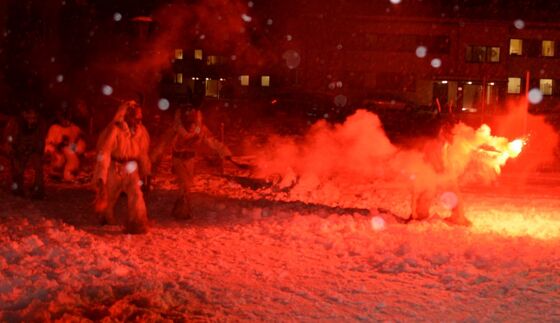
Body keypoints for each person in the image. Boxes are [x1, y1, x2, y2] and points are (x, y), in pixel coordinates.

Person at [152, 105, 232, 219]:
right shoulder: (176, 128)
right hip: (178, 160)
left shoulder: (199, 129)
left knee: (187, 187)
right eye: (188, 119)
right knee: (184, 185)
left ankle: (182, 209)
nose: (190, 123)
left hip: (190, 160)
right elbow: (162, 144)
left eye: (192, 119)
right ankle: (181, 212)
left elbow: (212, 141)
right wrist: (152, 158)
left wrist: (224, 152)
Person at [92, 100, 151, 234]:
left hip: (131, 168)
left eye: (139, 118)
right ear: (126, 115)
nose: (137, 121)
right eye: (135, 117)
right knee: (110, 197)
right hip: (115, 167)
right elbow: (104, 152)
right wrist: (102, 175)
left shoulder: (141, 132)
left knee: (136, 194)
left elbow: (143, 154)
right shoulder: (114, 130)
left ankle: (137, 222)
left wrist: (146, 173)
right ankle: (105, 216)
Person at [2, 106, 47, 199]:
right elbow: (9, 138)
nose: (32, 120)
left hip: (33, 148)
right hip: (18, 148)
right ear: (24, 114)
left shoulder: (40, 124)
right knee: (18, 170)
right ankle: (17, 188)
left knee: (38, 168)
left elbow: (41, 139)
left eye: (34, 118)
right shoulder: (14, 123)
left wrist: (39, 150)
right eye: (29, 118)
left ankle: (38, 190)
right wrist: (10, 147)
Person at [44, 107, 86, 182]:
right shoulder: (54, 128)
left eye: (66, 116)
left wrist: (69, 146)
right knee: (59, 158)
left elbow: (80, 147)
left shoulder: (75, 129)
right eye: (62, 116)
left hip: (70, 152)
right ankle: (57, 173)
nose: (64, 119)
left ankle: (70, 173)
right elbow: (49, 145)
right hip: (58, 154)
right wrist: (58, 146)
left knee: (69, 152)